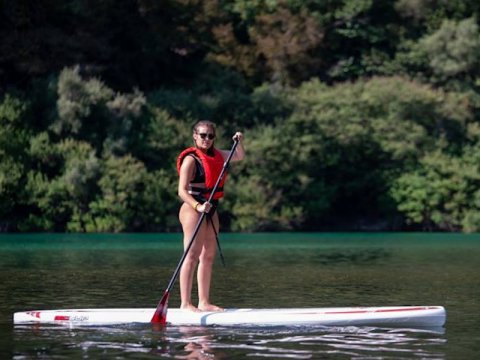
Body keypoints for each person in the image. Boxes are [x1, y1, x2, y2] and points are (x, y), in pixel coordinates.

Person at [176, 120, 245, 312]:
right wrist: (197, 206)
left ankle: (204, 302)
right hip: (193, 208)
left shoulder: (218, 155)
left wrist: (238, 141)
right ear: (195, 136)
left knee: (208, 256)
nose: (207, 139)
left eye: (210, 136)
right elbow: (181, 191)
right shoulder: (191, 160)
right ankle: (185, 304)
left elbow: (238, 155)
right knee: (191, 255)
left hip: (211, 208)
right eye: (203, 135)